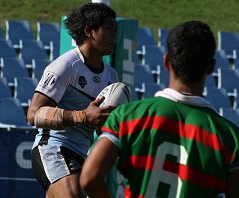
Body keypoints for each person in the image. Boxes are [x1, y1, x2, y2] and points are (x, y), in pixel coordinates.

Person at [80, 20, 239, 198]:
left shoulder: (128, 117)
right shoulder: (230, 138)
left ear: (166, 62)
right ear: (211, 67)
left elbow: (89, 178)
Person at [27, 2, 118, 198]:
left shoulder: (112, 77)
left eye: (115, 29)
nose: (114, 36)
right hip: (52, 148)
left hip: (82, 156)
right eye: (109, 29)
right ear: (89, 31)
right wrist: (82, 116)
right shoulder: (66, 66)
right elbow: (33, 114)